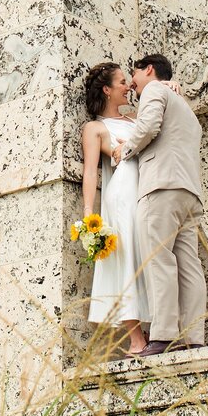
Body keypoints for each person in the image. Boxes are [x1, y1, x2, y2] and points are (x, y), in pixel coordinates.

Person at [113, 53, 206, 355]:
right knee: (189, 266)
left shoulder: (154, 90)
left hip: (160, 186)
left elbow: (149, 126)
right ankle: (195, 336)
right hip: (189, 192)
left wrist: (125, 150)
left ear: (149, 70)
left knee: (159, 259)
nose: (133, 84)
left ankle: (163, 336)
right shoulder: (185, 108)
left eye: (134, 74)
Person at [80, 62, 150, 356]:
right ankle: (136, 338)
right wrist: (88, 213)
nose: (128, 86)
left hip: (146, 190)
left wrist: (170, 86)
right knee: (126, 258)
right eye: (122, 82)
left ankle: (154, 331)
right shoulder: (95, 127)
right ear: (107, 90)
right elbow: (91, 172)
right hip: (121, 194)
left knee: (147, 255)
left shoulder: (137, 119)